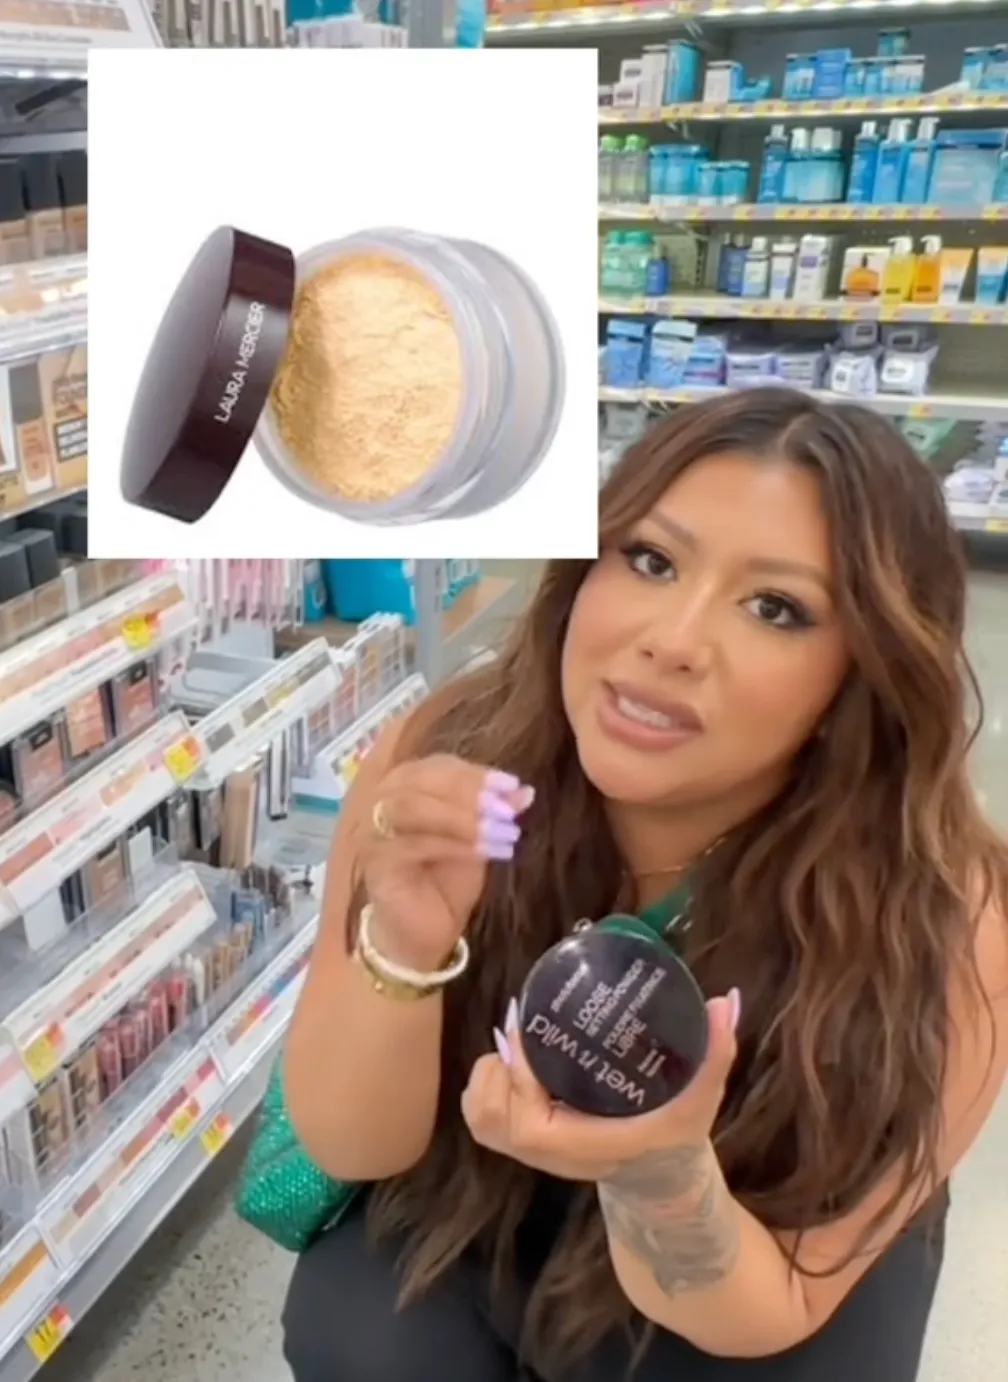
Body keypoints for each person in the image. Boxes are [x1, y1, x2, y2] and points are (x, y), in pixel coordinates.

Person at [280, 388, 1008, 1382]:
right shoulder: (456, 757)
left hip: (750, 1232)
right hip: (486, 1182)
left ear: (864, 672)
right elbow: (352, 1144)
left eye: (777, 608)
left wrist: (654, 1169)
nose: (674, 639)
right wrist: (403, 949)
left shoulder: (947, 916)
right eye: (652, 560)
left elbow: (775, 1303)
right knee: (369, 1333)